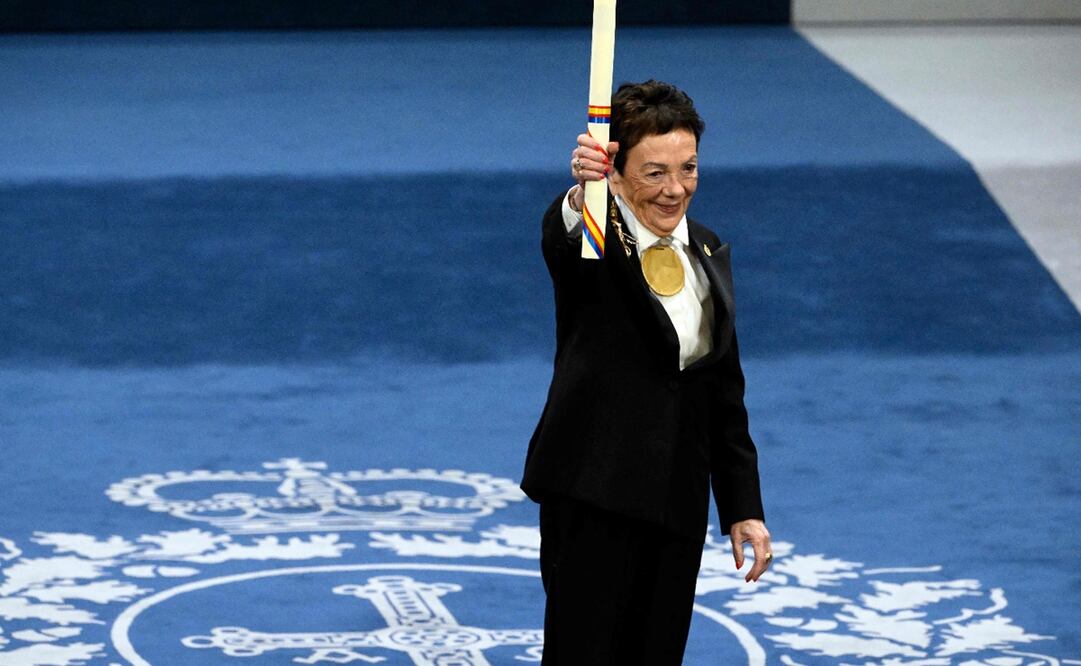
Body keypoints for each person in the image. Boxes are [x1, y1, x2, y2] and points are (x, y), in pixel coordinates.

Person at [520, 79, 773, 664]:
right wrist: (583, 190)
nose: (675, 189)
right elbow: (563, 235)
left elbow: (722, 394)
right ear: (616, 170)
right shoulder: (593, 242)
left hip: (675, 505)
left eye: (688, 168)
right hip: (594, 497)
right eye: (654, 172)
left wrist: (742, 506)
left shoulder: (707, 250)